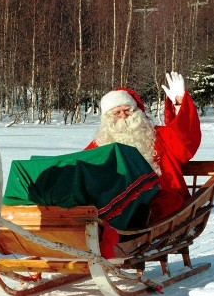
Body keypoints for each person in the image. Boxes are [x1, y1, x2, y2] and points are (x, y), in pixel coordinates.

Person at [85, 72, 202, 223]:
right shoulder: (100, 144)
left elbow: (185, 140)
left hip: (157, 200)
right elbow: (82, 167)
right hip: (116, 202)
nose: (123, 116)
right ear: (107, 118)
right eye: (117, 113)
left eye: (127, 111)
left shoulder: (157, 136)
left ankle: (139, 222)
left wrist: (179, 104)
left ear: (137, 113)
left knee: (169, 201)